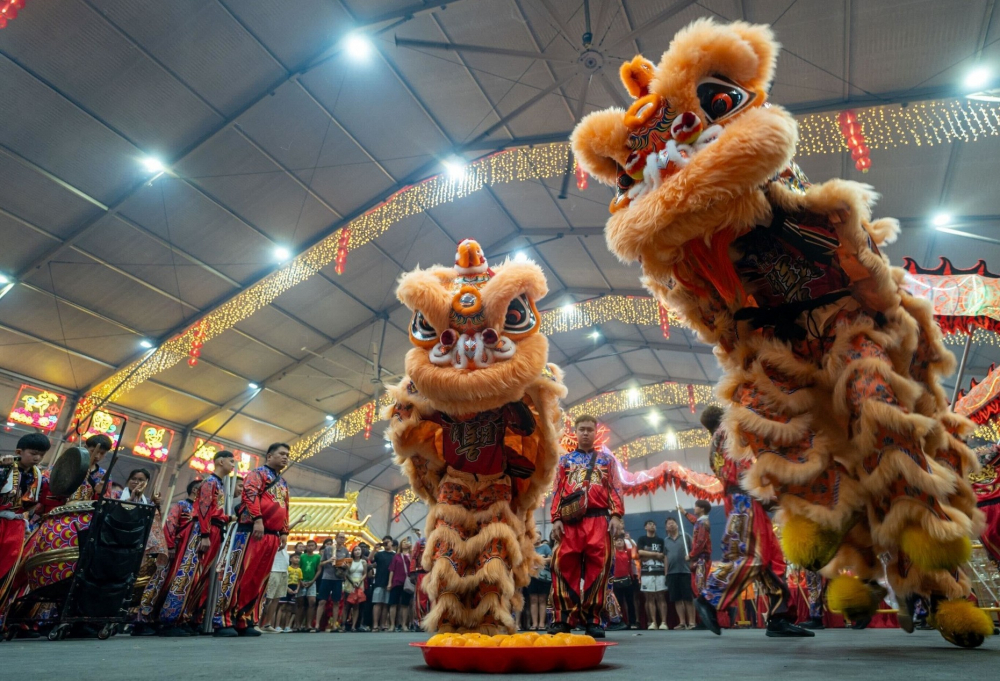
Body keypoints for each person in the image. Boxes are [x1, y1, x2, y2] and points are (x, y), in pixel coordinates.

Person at [693, 406, 812, 637]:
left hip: (742, 498)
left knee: (772, 561)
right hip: (744, 498)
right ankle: (709, 597)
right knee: (753, 557)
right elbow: (747, 467)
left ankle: (779, 617)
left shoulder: (715, 443)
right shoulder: (729, 432)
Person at [549, 414, 624, 639]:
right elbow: (557, 490)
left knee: (598, 569)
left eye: (589, 429)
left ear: (595, 431)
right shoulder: (564, 461)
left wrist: (617, 515)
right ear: (575, 431)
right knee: (563, 566)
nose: (585, 433)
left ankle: (593, 620)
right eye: (581, 429)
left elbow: (615, 488)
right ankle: (563, 619)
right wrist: (556, 518)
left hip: (599, 520)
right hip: (569, 522)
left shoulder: (607, 460)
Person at [213, 443, 290, 637]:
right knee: (239, 575)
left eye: (287, 455)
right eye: (281, 454)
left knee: (259, 580)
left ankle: (245, 619)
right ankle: (224, 620)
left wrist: (284, 531)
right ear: (269, 455)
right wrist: (257, 519)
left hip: (272, 535)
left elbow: (286, 507)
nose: (285, 457)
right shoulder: (258, 474)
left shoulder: (282, 482)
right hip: (251, 531)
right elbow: (249, 495)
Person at [189, 451, 236, 629]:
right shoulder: (210, 482)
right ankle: (184, 615)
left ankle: (196, 616)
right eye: (231, 461)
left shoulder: (220, 484)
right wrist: (205, 534)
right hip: (207, 530)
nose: (233, 465)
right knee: (197, 572)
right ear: (220, 461)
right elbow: (204, 509)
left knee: (207, 575)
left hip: (215, 528)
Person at [0, 433, 48, 599]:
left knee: (8, 567)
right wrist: (3, 468)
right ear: (19, 451)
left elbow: (42, 501)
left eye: (41, 455)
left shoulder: (39, 476)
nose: (37, 458)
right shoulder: (4, 467)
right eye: (33, 453)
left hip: (16, 527)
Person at [157, 479, 203, 635]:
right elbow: (170, 524)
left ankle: (183, 618)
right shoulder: (182, 505)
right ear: (196, 490)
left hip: (194, 553)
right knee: (171, 582)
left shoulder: (203, 510)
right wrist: (169, 546)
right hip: (179, 551)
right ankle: (167, 621)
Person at [36, 433, 113, 516]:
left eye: (102, 453)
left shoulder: (104, 475)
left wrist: (99, 493)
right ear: (85, 448)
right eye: (93, 451)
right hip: (54, 511)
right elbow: (44, 484)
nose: (97, 456)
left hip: (83, 516)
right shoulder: (66, 464)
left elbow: (105, 504)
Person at [636, 519, 667, 630]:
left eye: (654, 524)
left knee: (660, 597)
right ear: (645, 527)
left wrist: (648, 555)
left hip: (659, 572)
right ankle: (653, 622)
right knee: (649, 597)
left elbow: (663, 556)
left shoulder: (661, 540)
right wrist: (655, 555)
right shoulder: (642, 539)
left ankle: (663, 622)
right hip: (646, 573)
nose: (652, 526)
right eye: (649, 524)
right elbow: (640, 553)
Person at [664, 516, 694, 629]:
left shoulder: (685, 536)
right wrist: (666, 573)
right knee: (677, 599)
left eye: (673, 523)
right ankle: (682, 622)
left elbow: (693, 550)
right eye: (669, 524)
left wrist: (691, 562)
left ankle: (691, 622)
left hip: (685, 571)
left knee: (688, 598)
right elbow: (666, 557)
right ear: (666, 528)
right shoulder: (666, 541)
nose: (671, 525)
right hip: (672, 573)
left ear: (677, 525)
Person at [317, 532, 349, 631]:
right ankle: (317, 625)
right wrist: (329, 560)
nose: (342, 539)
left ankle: (334, 625)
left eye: (343, 538)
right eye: (340, 537)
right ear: (336, 538)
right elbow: (321, 563)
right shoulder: (328, 549)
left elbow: (348, 565)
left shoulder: (345, 551)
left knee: (336, 601)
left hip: (338, 578)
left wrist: (345, 566)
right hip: (327, 577)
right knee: (322, 601)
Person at [682, 500, 713, 597]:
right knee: (697, 586)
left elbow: (700, 543)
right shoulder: (701, 522)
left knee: (700, 587)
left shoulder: (703, 523)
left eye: (696, 506)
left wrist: (690, 555)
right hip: (700, 559)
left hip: (702, 559)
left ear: (702, 509)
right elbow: (695, 522)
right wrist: (685, 513)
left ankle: (706, 609)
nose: (694, 508)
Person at [610, 536, 637, 629]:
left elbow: (635, 550)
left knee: (630, 602)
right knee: (619, 603)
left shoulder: (627, 552)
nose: (619, 542)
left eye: (621, 540)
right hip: (615, 581)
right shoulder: (613, 552)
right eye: (617, 541)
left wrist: (630, 540)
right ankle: (620, 622)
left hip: (627, 580)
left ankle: (632, 622)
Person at [387, 537, 413, 632]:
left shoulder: (411, 555)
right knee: (393, 603)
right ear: (401, 545)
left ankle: (404, 625)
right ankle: (392, 625)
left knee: (405, 604)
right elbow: (392, 570)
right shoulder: (396, 556)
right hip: (397, 581)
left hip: (407, 582)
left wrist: (411, 551)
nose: (406, 543)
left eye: (407, 542)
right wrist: (390, 583)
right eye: (404, 542)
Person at [370, 536, 395, 631]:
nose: (385, 543)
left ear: (391, 543)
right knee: (377, 604)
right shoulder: (379, 554)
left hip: (389, 582)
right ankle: (375, 625)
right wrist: (374, 549)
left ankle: (383, 624)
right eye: (384, 542)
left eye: (387, 542)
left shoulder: (394, 555)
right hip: (379, 581)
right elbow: (370, 559)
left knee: (386, 604)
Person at [527, 536, 552, 631]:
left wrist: (539, 561)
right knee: (533, 599)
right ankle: (534, 623)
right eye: (534, 536)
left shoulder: (545, 547)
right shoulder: (528, 548)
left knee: (542, 599)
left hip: (544, 577)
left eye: (538, 536)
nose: (536, 538)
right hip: (531, 576)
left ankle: (542, 624)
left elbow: (550, 559)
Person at [296, 539, 321, 632]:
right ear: (306, 547)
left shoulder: (317, 557)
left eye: (312, 545)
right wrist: (300, 580)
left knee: (312, 601)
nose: (310, 547)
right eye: (309, 545)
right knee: (300, 602)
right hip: (301, 581)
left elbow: (318, 569)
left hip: (312, 582)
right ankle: (298, 624)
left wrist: (313, 580)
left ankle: (308, 624)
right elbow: (298, 568)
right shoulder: (302, 556)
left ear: (315, 547)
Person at [343, 545, 368, 632]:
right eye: (355, 550)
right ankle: (343, 624)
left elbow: (365, 573)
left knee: (356, 605)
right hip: (350, 583)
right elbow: (346, 573)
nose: (357, 551)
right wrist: (347, 568)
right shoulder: (349, 561)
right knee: (347, 605)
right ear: (353, 552)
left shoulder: (364, 562)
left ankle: (354, 626)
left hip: (359, 583)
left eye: (359, 550)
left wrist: (360, 581)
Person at [278, 553, 303, 632]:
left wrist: (297, 589)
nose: (297, 559)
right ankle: (278, 626)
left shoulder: (299, 570)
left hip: (294, 588)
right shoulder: (287, 568)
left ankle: (287, 626)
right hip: (286, 587)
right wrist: (287, 588)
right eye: (295, 557)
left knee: (289, 608)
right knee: (282, 607)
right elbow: (283, 579)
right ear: (290, 559)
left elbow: (299, 581)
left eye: (298, 558)